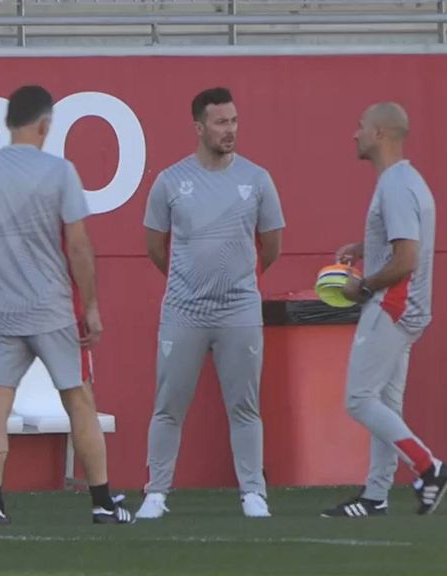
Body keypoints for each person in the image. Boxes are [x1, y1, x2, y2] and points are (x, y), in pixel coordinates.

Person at [0, 85, 133, 526]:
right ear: (45, 125)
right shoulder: (60, 172)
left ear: (8, 124)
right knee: (78, 399)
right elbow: (78, 245)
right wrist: (89, 306)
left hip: (1, 308)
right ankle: (101, 502)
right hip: (51, 308)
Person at [136, 87, 285, 520]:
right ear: (199, 127)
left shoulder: (257, 180)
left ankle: (253, 492)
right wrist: (190, 283)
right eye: (221, 122)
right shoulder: (169, 181)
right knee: (168, 405)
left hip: (239, 310)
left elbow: (270, 246)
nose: (230, 130)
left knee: (245, 405)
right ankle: (157, 492)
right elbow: (155, 246)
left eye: (234, 121)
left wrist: (235, 282)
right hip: (183, 311)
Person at [322, 102, 447, 519]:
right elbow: (402, 241)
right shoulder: (407, 181)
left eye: (360, 127)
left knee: (359, 399)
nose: (354, 134)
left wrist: (361, 285)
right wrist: (365, 248)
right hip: (409, 309)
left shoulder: (395, 186)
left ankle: (428, 467)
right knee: (384, 404)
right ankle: (376, 495)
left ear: (380, 133)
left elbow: (406, 259)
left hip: (393, 305)